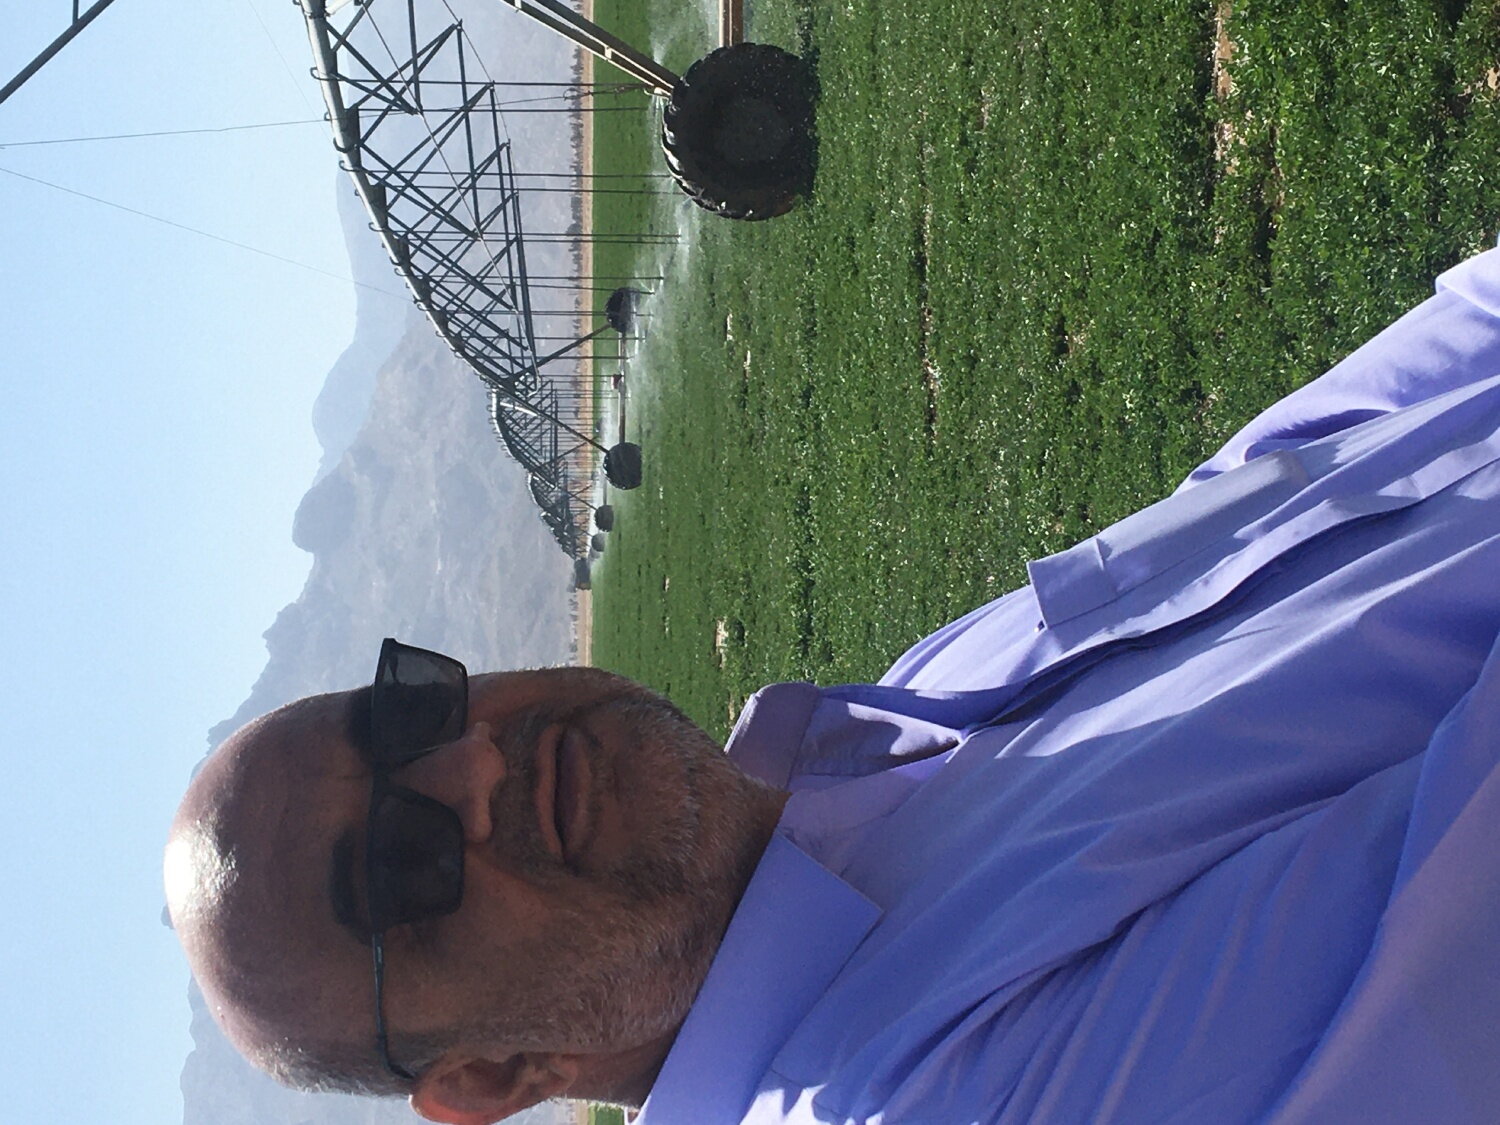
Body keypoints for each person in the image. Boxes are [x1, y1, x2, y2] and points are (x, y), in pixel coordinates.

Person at [167, 238, 1500, 1125]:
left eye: (404, 712)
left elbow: (1298, 478)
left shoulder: (885, 737)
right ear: (494, 1073)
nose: (467, 768)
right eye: (396, 866)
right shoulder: (925, 1095)